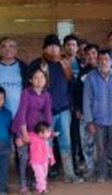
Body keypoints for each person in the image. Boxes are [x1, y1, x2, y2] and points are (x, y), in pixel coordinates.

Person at [31, 34, 82, 183]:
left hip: (64, 110)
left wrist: (71, 104)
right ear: (44, 48)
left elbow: (72, 85)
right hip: (45, 112)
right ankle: (42, 177)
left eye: (56, 46)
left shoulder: (64, 64)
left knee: (65, 142)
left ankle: (69, 174)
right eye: (50, 46)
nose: (53, 49)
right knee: (45, 144)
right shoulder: (37, 65)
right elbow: (31, 88)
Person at [83, 47, 112, 182]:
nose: (103, 62)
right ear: (97, 61)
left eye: (106, 59)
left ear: (111, 61)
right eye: (101, 59)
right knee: (100, 148)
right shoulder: (91, 77)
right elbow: (86, 100)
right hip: (98, 121)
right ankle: (102, 173)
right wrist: (89, 121)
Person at [12, 68, 53, 195]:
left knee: (39, 157)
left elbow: (48, 114)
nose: (39, 80)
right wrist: (22, 134)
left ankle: (37, 182)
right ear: (30, 80)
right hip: (23, 128)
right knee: (24, 157)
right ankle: (23, 184)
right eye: (36, 77)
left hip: (39, 132)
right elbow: (22, 114)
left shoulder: (46, 95)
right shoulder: (26, 93)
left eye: (42, 77)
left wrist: (48, 133)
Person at [74, 44, 100, 176]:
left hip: (102, 114)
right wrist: (78, 108)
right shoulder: (83, 73)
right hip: (86, 112)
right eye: (88, 54)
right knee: (86, 142)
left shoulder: (105, 70)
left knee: (101, 142)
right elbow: (77, 92)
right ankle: (90, 168)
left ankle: (103, 167)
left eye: (94, 53)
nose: (91, 56)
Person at [28, 121, 57, 194]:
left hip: (44, 161)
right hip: (36, 162)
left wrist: (51, 159)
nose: (49, 133)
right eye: (47, 132)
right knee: (40, 175)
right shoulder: (34, 138)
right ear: (40, 133)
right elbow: (29, 135)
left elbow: (48, 151)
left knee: (44, 174)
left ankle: (39, 187)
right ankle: (42, 189)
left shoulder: (45, 140)